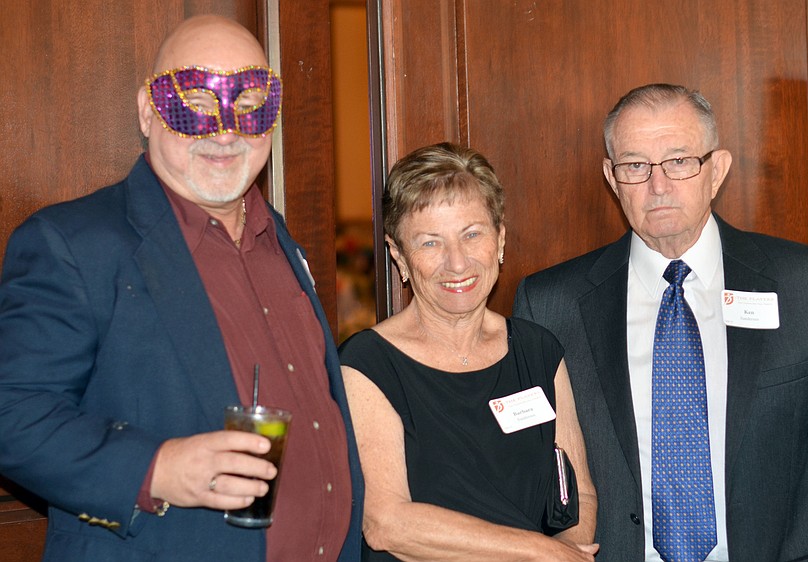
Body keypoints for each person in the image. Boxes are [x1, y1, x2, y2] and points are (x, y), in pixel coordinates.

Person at [0, 15, 363, 561]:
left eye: (248, 107)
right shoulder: (72, 244)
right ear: (148, 110)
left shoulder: (279, 238)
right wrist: (157, 468)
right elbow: (12, 414)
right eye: (194, 102)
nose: (224, 131)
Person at [514, 83, 808, 561]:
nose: (658, 185)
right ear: (612, 178)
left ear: (717, 171)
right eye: (635, 165)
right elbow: (533, 477)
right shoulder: (551, 305)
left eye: (679, 161)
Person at [338, 142, 598, 561]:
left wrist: (567, 551)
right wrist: (539, 554)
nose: (456, 263)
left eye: (472, 234)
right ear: (398, 256)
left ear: (500, 240)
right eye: (429, 243)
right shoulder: (366, 364)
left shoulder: (539, 350)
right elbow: (387, 525)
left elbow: (578, 492)